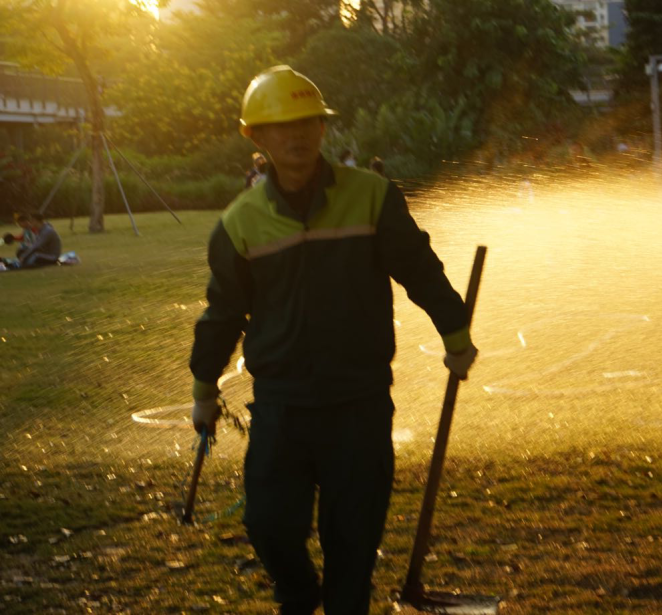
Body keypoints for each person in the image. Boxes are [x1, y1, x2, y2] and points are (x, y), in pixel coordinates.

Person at [188, 65, 477, 615]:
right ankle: (298, 593)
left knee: (352, 543)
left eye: (308, 123)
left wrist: (456, 334)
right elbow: (223, 313)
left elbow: (418, 268)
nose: (297, 135)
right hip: (281, 406)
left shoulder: (371, 196)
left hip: (359, 402)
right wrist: (204, 391)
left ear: (323, 129)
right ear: (257, 138)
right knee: (269, 524)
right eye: (281, 126)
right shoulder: (238, 223)